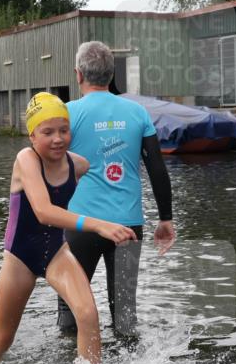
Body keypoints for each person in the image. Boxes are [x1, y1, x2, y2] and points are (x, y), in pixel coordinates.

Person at [0, 93, 137, 364]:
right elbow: (43, 212)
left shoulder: (79, 164)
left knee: (87, 315)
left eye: (63, 130)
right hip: (19, 259)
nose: (57, 138)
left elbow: (107, 179)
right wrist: (99, 225)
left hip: (56, 254)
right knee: (2, 339)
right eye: (47, 132)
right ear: (32, 135)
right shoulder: (26, 159)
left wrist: (118, 219)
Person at [56, 41, 175, 337]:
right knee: (124, 315)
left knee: (70, 312)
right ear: (111, 75)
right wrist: (165, 219)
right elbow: (157, 169)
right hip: (128, 224)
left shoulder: (66, 114)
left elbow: (46, 167)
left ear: (78, 75)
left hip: (81, 224)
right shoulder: (137, 113)